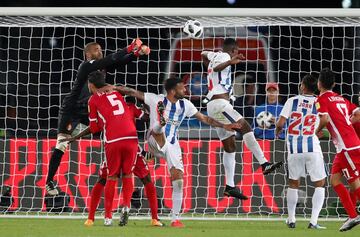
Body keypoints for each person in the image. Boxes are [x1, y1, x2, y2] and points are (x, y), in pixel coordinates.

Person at [116, 77, 240, 227]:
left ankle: (175, 219)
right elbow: (131, 91)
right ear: (173, 91)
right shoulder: (156, 99)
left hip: (172, 145)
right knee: (158, 129)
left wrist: (224, 126)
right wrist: (110, 87)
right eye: (182, 88)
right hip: (154, 140)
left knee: (179, 181)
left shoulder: (186, 105)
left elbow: (205, 119)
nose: (186, 90)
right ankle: (159, 128)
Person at [45, 39, 150, 196]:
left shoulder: (101, 67)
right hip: (72, 111)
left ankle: (138, 150)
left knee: (116, 124)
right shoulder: (86, 66)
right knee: (61, 145)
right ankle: (49, 181)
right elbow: (112, 58)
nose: (100, 51)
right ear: (88, 54)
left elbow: (118, 63)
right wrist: (130, 47)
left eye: (100, 49)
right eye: (96, 49)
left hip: (89, 110)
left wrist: (136, 54)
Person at [61, 96, 163, 227]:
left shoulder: (108, 110)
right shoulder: (131, 108)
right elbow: (145, 118)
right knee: (146, 180)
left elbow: (94, 127)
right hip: (133, 149)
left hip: (113, 149)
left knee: (104, 180)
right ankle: (154, 218)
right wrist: (148, 109)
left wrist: (76, 137)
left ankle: (93, 218)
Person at [201, 38, 283, 200]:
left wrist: (209, 65)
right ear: (233, 50)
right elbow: (218, 67)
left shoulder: (214, 55)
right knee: (245, 126)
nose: (238, 55)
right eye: (237, 52)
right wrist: (230, 61)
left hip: (213, 105)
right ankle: (264, 163)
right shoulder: (224, 57)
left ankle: (230, 186)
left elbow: (203, 54)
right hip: (220, 104)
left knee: (230, 146)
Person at [87, 71, 139, 226]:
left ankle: (108, 217)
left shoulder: (93, 99)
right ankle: (126, 206)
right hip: (131, 136)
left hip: (114, 138)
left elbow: (95, 128)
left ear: (91, 85)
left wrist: (103, 123)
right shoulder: (116, 92)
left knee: (112, 176)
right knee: (128, 174)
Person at [276, 75, 327, 229]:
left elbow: (280, 122)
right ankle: (313, 221)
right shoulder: (319, 102)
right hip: (312, 147)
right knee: (319, 183)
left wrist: (278, 131)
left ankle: (291, 219)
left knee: (293, 183)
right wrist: (316, 131)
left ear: (303, 87)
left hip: (293, 148)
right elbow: (325, 119)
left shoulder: (292, 101)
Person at [315, 68, 360, 232]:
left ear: (319, 84)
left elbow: (325, 118)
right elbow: (358, 114)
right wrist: (347, 122)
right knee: (335, 181)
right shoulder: (341, 98)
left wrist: (318, 130)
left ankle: (354, 215)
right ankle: (353, 215)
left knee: (355, 184)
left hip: (347, 147)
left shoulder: (321, 99)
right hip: (348, 145)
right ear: (333, 84)